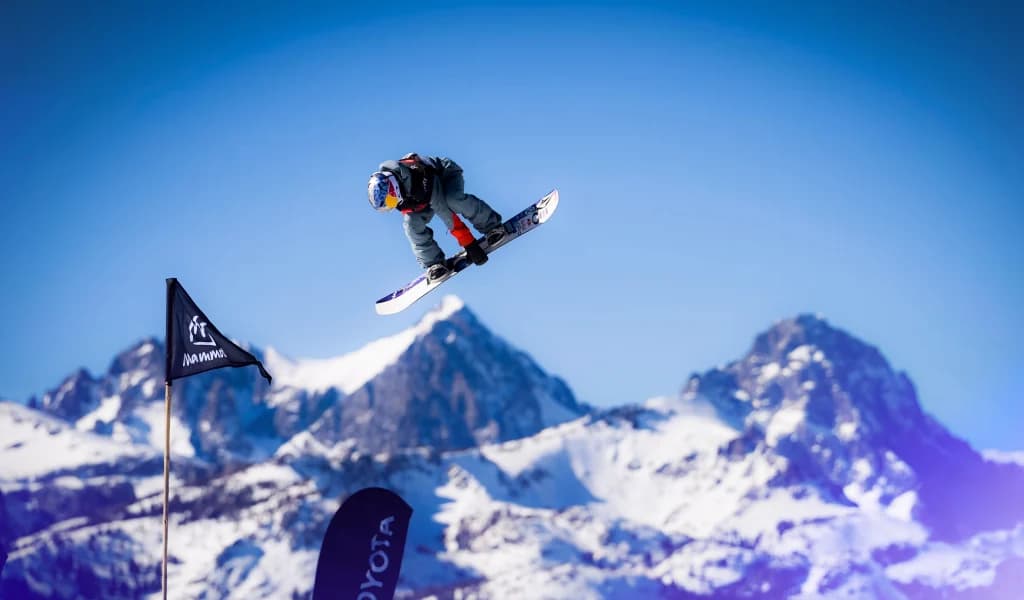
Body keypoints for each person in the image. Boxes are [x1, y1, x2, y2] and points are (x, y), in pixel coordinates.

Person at [368, 153, 506, 281]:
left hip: (445, 177)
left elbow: (444, 211)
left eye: (390, 201)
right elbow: (413, 213)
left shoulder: (418, 176)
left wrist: (469, 244)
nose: (391, 206)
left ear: (393, 189)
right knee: (412, 225)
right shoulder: (400, 197)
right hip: (422, 200)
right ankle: (434, 263)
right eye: (388, 206)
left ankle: (491, 226)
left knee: (453, 200)